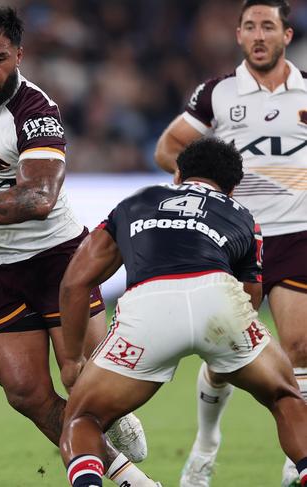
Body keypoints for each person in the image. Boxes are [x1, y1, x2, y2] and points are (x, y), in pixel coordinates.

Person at [0, 7, 159, 486]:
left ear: (19, 55)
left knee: (79, 380)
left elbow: (39, 198)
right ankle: (128, 477)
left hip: (57, 259)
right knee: (24, 392)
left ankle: (112, 413)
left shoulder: (36, 110)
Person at [58, 137, 307, 487]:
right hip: (218, 300)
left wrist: (71, 360)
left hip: (149, 306)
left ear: (177, 174)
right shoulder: (242, 215)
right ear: (232, 189)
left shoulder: (136, 202)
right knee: (285, 396)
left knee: (82, 418)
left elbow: (74, 284)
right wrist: (229, 353)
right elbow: (251, 295)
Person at [154, 1, 307, 485]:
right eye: (249, 26)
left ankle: (295, 457)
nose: (258, 35)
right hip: (235, 237)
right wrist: (205, 190)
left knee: (299, 347)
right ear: (238, 35)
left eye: (267, 26)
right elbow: (167, 149)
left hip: (298, 231)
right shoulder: (216, 94)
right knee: (224, 357)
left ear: (286, 34)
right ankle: (205, 444)